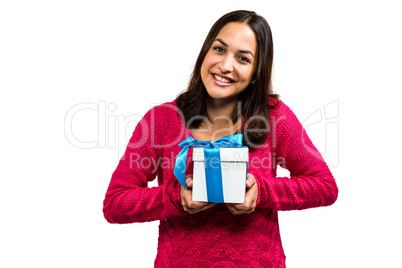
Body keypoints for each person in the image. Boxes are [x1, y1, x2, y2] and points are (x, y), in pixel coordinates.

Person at [103, 10, 338, 267]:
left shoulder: (275, 117)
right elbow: (115, 204)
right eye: (219, 49)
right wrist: (174, 198)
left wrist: (262, 192)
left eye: (242, 58)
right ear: (205, 52)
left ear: (256, 73)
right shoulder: (161, 120)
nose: (225, 66)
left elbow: (324, 186)